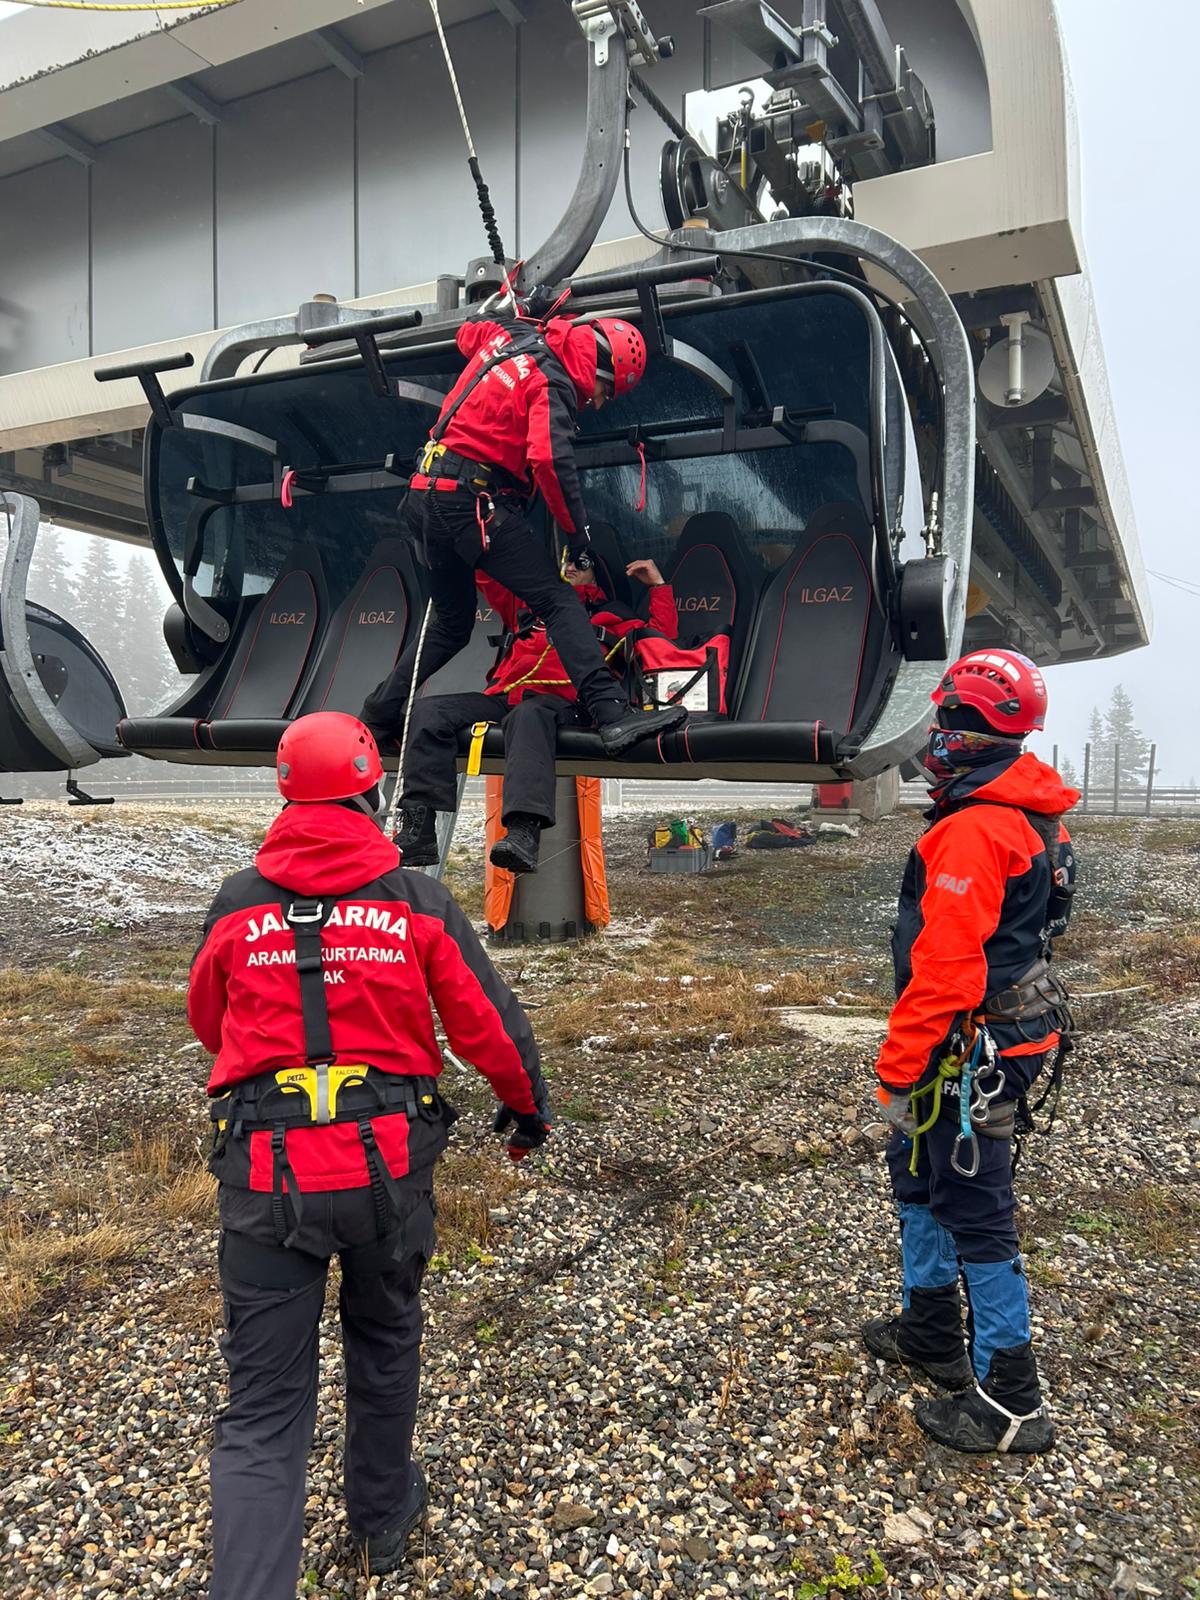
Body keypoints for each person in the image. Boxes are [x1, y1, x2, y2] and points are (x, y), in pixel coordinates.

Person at [187, 711, 551, 1598]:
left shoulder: (239, 902)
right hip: (388, 1175)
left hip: (265, 1184)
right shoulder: (414, 899)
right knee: (385, 1341)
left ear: (285, 791)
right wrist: (526, 1108)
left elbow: (209, 1020)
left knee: (263, 1407)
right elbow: (487, 1023)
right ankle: (383, 1522)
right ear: (370, 788)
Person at [862, 648, 1078, 1454]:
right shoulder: (1031, 816)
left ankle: (1011, 1400)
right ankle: (930, 1332)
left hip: (971, 1048)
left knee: (976, 1208)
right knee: (918, 1174)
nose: (937, 737)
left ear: (969, 728)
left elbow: (945, 970)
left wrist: (899, 1070)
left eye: (947, 720)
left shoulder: (975, 831)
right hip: (1005, 1032)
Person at [361, 309, 687, 759]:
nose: (597, 403)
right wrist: (576, 535)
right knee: (559, 600)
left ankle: (377, 716)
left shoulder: (509, 333)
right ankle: (613, 715)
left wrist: (517, 319)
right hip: (471, 502)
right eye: (604, 390)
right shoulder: (553, 384)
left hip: (424, 496)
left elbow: (467, 332)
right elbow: (550, 460)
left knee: (453, 625)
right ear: (598, 367)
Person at [394, 556, 679, 873]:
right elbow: (488, 577)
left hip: (564, 704)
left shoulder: (613, 617)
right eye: (566, 561)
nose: (570, 567)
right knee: (429, 710)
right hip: (506, 696)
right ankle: (418, 829)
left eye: (581, 563)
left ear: (599, 574)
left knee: (529, 714)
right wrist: (466, 536)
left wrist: (658, 586)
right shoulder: (530, 609)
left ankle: (522, 832)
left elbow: (661, 640)